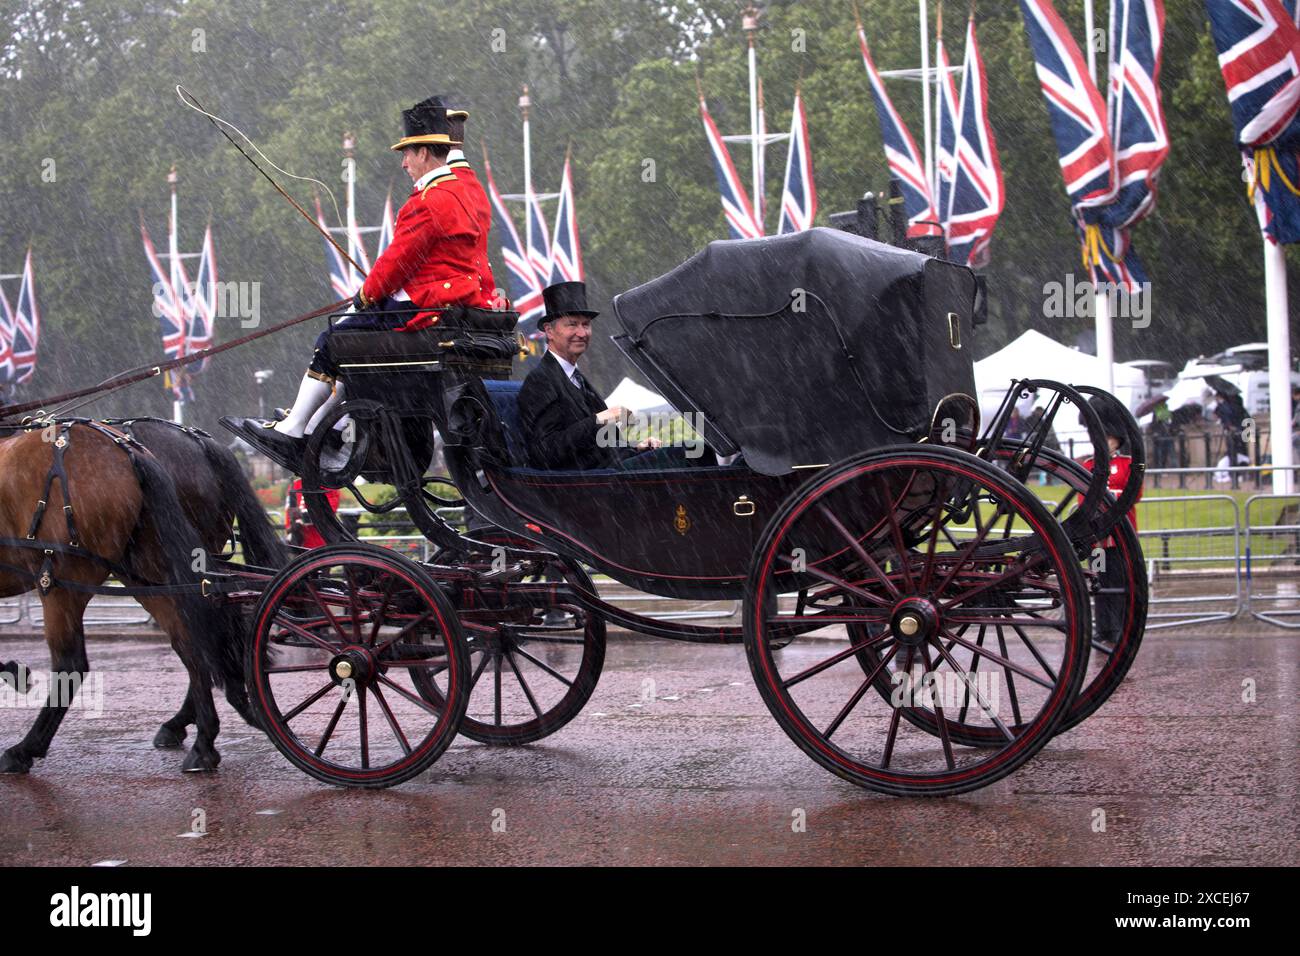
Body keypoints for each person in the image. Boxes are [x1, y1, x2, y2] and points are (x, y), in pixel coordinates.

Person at [223, 97, 492, 468]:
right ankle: (324, 427)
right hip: (449, 303)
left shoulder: (429, 199)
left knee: (334, 341)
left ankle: (295, 426)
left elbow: (398, 261)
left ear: (427, 152)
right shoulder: (464, 189)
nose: (404, 163)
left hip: (425, 306)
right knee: (356, 347)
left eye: (409, 154)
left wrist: (365, 296)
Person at [1081, 398, 1143, 646]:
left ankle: (1117, 626)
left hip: (1119, 535)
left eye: (1109, 437)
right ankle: (1103, 628)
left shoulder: (1126, 464)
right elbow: (1082, 497)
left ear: (1118, 439)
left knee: (1118, 581)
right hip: (1098, 539)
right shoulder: (1088, 465)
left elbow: (1134, 494)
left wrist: (1108, 497)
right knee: (1099, 581)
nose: (1105, 442)